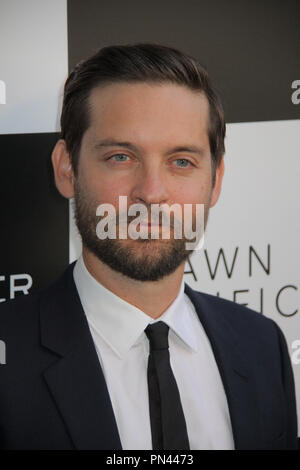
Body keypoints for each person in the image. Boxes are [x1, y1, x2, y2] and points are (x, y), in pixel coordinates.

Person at [0, 43, 297, 450]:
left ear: (216, 180)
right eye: (121, 157)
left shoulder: (262, 346)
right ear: (66, 169)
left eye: (181, 162)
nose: (152, 194)